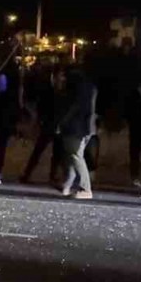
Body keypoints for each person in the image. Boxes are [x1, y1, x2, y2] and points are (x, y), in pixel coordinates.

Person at [56, 70, 97, 199]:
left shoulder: (74, 92)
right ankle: (68, 185)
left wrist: (62, 123)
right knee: (73, 156)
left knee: (75, 156)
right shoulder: (90, 88)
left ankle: (85, 188)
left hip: (75, 128)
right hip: (86, 128)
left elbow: (72, 109)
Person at [20, 68, 64, 185]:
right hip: (48, 125)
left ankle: (52, 176)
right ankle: (26, 174)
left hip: (58, 126)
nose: (62, 79)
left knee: (56, 154)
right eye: (60, 76)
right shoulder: (49, 91)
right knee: (38, 151)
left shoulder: (62, 92)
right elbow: (42, 107)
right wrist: (41, 121)